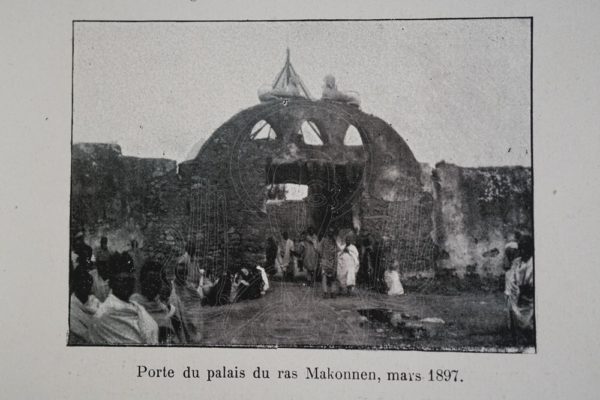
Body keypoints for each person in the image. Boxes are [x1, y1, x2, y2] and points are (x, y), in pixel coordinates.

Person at [88, 253, 158, 345]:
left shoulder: (138, 308)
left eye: (130, 280)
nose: (127, 285)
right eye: (122, 281)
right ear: (111, 283)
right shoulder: (102, 317)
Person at [130, 260, 178, 344]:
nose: (152, 286)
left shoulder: (163, 309)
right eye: (149, 281)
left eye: (156, 282)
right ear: (142, 281)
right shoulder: (132, 306)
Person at [507, 235, 534, 345]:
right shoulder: (516, 262)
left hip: (528, 297)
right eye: (520, 248)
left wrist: (524, 288)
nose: (522, 251)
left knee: (528, 323)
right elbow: (511, 277)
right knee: (514, 315)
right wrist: (514, 288)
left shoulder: (533, 262)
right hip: (516, 295)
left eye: (525, 248)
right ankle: (516, 340)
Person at [169, 258, 203, 343]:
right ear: (176, 274)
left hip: (190, 313)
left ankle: (191, 333)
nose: (182, 276)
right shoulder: (172, 286)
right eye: (180, 274)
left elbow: (197, 299)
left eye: (184, 274)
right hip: (179, 313)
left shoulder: (189, 286)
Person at [69, 267, 101, 344]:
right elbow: (85, 335)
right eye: (81, 283)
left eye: (87, 283)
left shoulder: (95, 301)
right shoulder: (71, 308)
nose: (84, 286)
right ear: (75, 285)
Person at [318, 228, 338, 298]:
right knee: (324, 276)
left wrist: (335, 261)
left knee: (333, 277)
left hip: (332, 261)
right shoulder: (323, 240)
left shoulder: (334, 241)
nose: (330, 233)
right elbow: (319, 249)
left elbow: (336, 251)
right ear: (327, 232)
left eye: (332, 232)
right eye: (329, 232)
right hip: (325, 261)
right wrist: (322, 257)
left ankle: (332, 292)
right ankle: (325, 292)